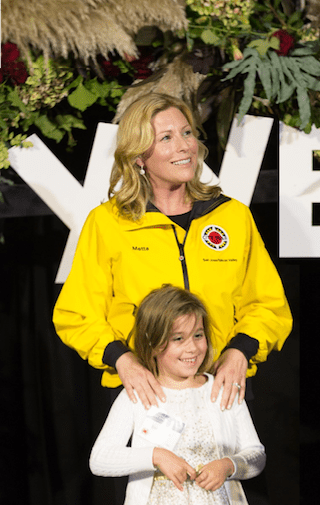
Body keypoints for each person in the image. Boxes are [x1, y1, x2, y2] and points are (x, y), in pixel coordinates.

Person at [53, 92, 292, 412]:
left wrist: (239, 353)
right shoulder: (108, 223)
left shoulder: (232, 216)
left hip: (222, 390)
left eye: (187, 133)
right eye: (166, 137)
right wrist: (122, 361)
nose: (184, 146)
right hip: (142, 394)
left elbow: (268, 304)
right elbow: (77, 314)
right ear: (138, 155)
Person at [90, 284, 266, 504]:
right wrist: (156, 456)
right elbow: (100, 458)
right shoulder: (138, 395)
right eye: (178, 339)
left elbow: (256, 455)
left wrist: (229, 465)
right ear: (152, 343)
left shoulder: (222, 390)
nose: (192, 348)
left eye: (198, 335)